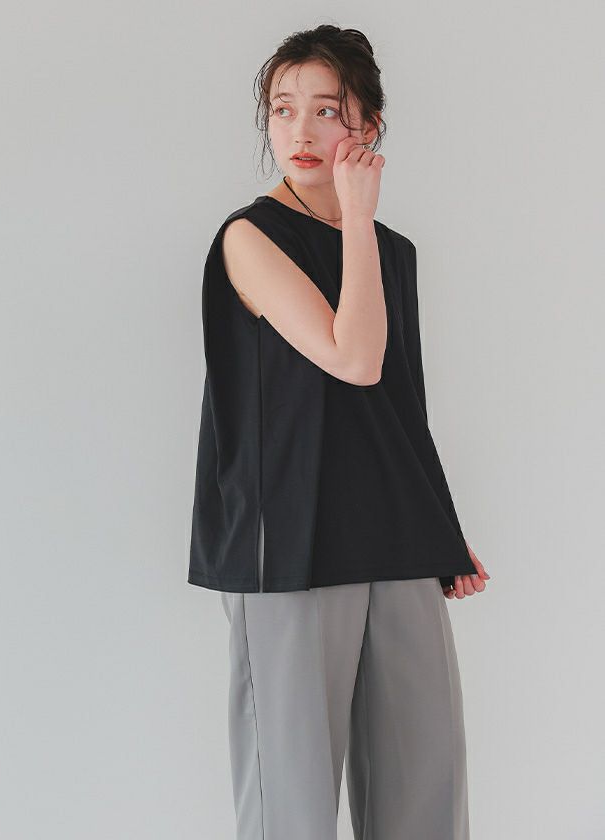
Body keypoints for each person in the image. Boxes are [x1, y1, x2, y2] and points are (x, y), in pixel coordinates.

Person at [188, 24, 490, 840]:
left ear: (369, 126)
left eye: (327, 110)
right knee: (290, 807)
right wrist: (357, 217)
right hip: (289, 547)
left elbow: (397, 404)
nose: (301, 130)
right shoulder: (250, 238)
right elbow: (351, 359)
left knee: (425, 801)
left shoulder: (392, 252)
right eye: (282, 109)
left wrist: (441, 527)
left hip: (394, 539)